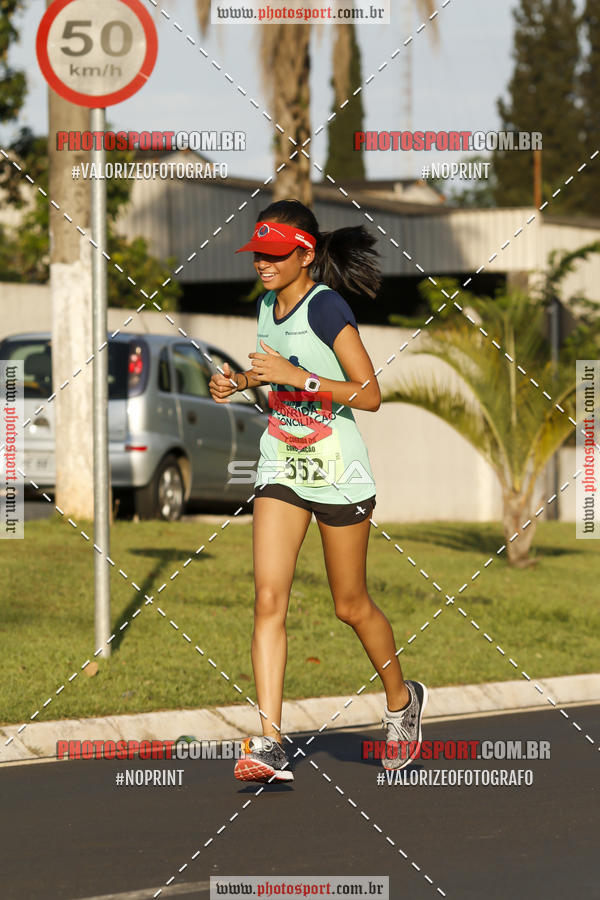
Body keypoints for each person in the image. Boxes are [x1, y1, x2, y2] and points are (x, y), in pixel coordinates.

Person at [209, 199, 426, 783]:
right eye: (258, 253)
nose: (263, 264)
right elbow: (271, 372)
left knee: (348, 604)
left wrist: (295, 377)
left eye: (275, 254)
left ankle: (402, 702)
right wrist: (236, 382)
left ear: (304, 254)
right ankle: (271, 741)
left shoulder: (327, 306)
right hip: (281, 462)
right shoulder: (264, 307)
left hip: (337, 471)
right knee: (267, 598)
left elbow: (369, 394)